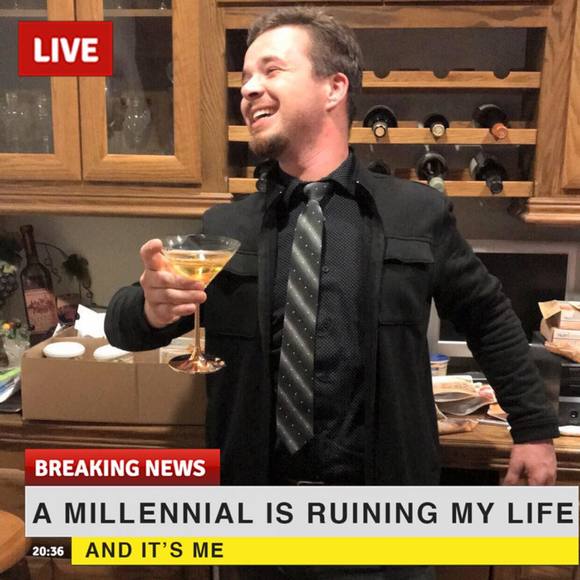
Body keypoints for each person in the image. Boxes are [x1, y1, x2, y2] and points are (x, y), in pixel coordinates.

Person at [105, 7, 558, 579]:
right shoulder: (226, 228)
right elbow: (122, 325)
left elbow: (488, 318)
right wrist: (148, 306)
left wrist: (533, 428)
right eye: (245, 77)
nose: (249, 89)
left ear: (334, 87)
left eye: (271, 70)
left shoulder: (416, 214)